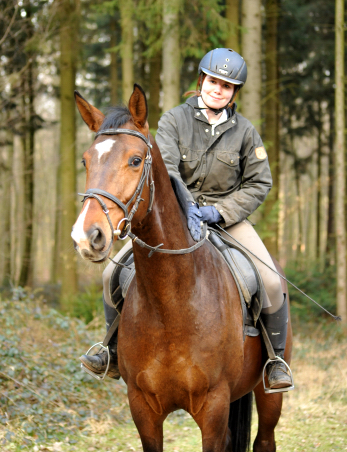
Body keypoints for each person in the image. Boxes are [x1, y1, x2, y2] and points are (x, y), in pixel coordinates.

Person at [80, 48, 293, 391]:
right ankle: (112, 350)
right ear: (201, 81)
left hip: (227, 219)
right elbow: (167, 169)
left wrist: (219, 212)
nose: (217, 90)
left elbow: (258, 183)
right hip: (176, 217)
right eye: (213, 81)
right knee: (111, 274)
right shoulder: (174, 120)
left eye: (226, 86)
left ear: (234, 92)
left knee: (269, 281)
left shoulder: (245, 132)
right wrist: (187, 207)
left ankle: (274, 360)